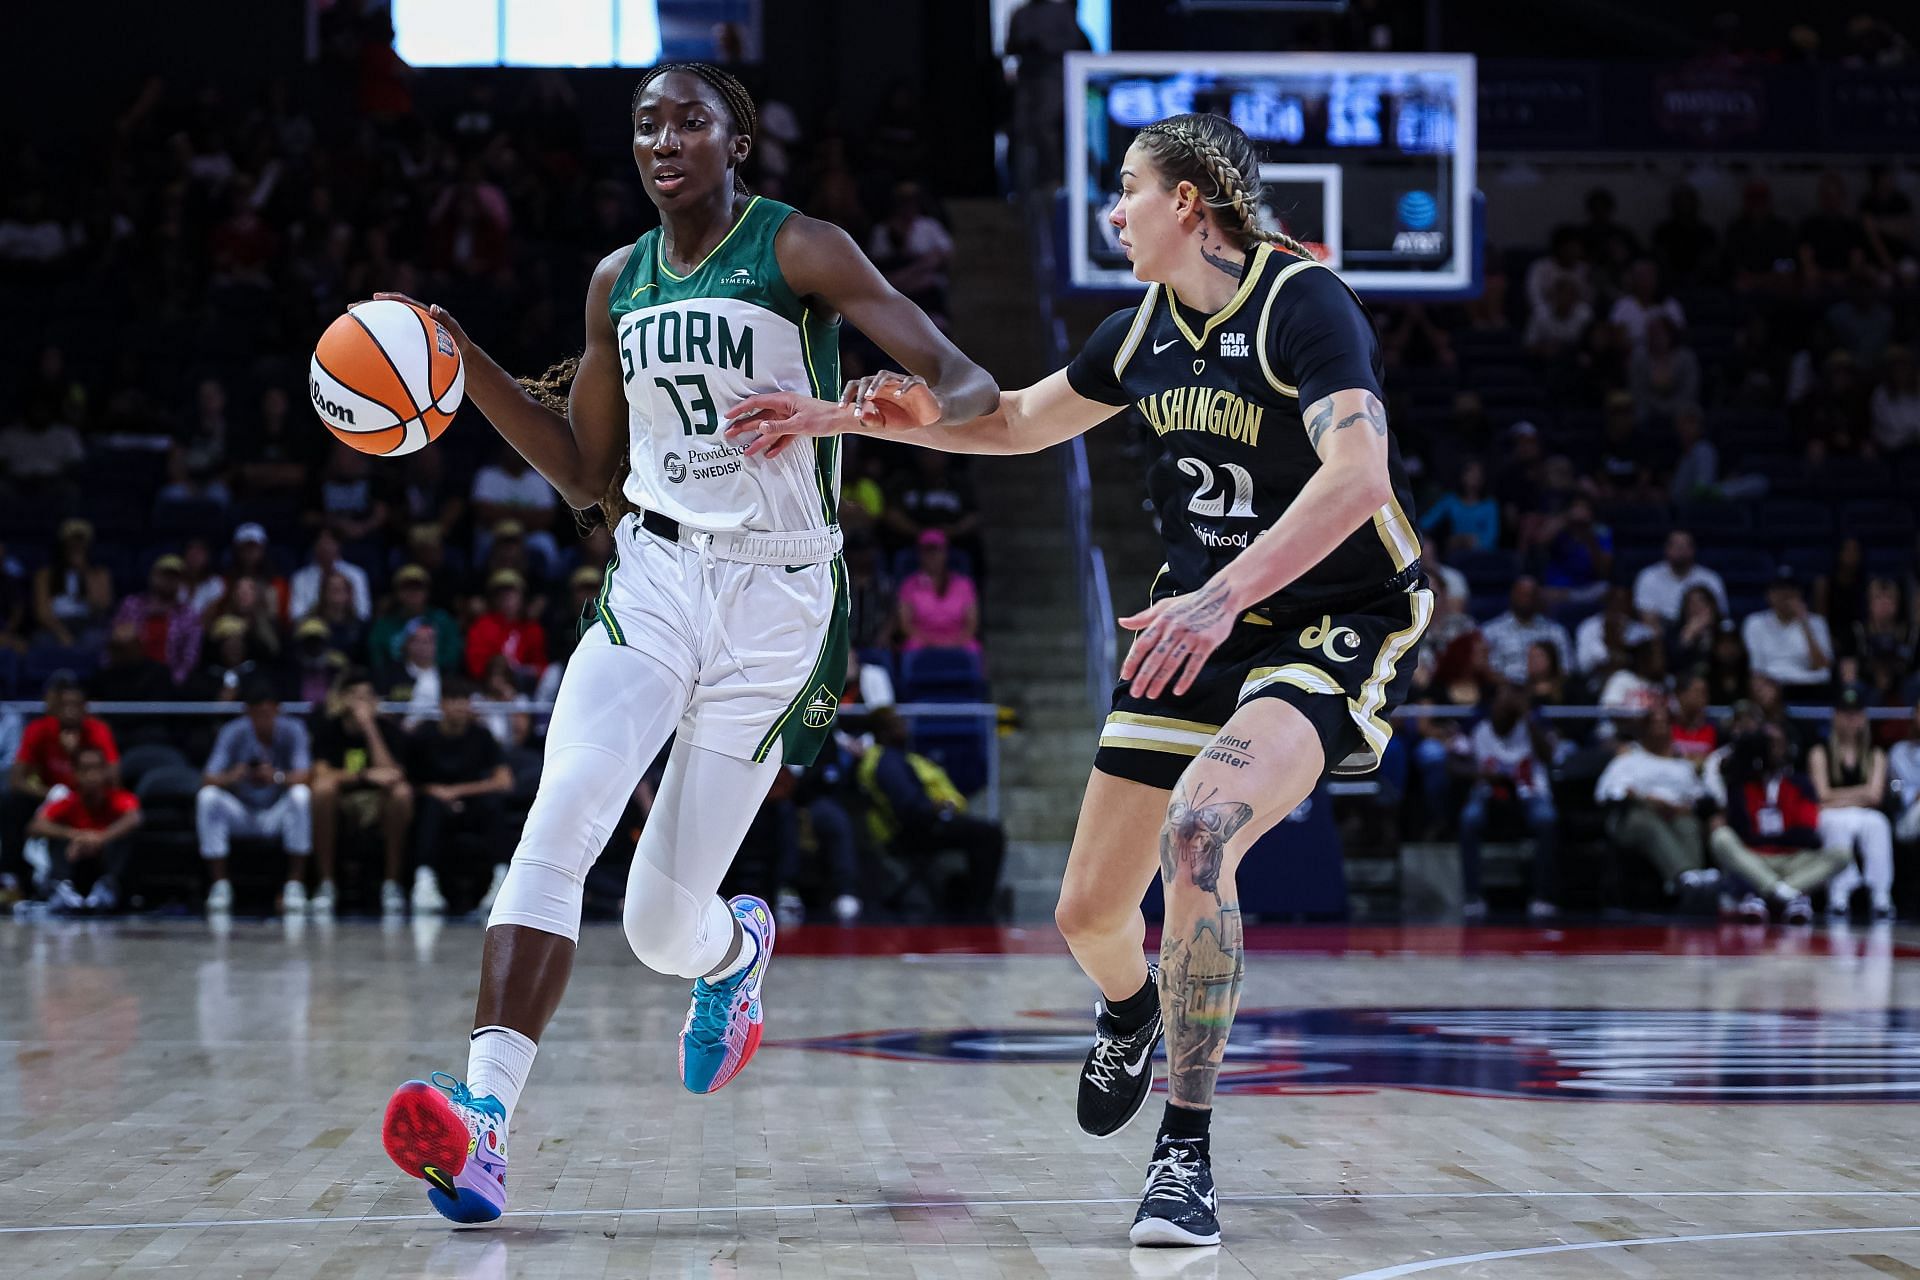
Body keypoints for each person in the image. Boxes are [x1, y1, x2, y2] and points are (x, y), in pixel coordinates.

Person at [728, 110, 1428, 1247]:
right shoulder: (1137, 329)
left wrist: (1223, 597)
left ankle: (1184, 1154)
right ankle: (1130, 1008)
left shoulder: (1304, 303)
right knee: (1086, 910)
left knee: (1202, 830)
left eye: (1127, 187)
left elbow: (1358, 477)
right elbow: (1011, 423)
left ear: (1189, 202)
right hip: (1196, 622)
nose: (1112, 208)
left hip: (1327, 615)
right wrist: (842, 422)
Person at [375, 62, 997, 1227]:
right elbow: (584, 474)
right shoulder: (619, 280)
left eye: (689, 120)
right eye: (647, 123)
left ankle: (733, 948)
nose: (664, 138)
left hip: (781, 602)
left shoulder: (801, 249)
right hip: (654, 574)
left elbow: (963, 385)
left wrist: (846, 410)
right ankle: (485, 1122)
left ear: (737, 139)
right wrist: (463, 363)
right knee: (557, 820)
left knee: (664, 928)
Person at [856, 706, 1003, 918]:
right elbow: (907, 807)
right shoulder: (887, 762)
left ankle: (972, 899)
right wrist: (937, 808)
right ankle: (977, 907)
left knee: (982, 832)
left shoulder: (896, 757)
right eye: (898, 725)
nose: (905, 728)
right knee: (988, 834)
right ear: (884, 732)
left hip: (918, 823)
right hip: (909, 831)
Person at [1709, 726, 1849, 924]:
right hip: (1755, 858)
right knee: (1721, 837)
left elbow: (1806, 833)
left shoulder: (1800, 783)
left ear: (1788, 748)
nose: (1774, 750)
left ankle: (1769, 893)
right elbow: (1741, 830)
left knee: (1843, 854)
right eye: (1768, 744)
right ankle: (1786, 893)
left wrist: (1768, 838)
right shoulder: (1742, 783)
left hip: (1793, 859)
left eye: (1778, 744)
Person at [197, 680, 313, 914]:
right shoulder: (233, 731)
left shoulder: (294, 729)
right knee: (207, 797)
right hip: (243, 812)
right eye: (256, 714)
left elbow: (307, 776)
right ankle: (220, 886)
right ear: (246, 712)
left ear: (278, 710)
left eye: (268, 713)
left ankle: (294, 884)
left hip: (276, 812)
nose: (263, 720)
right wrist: (233, 776)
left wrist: (276, 776)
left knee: (301, 796)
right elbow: (207, 778)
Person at [309, 667, 416, 916]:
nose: (361, 703)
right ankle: (326, 884)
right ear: (342, 699)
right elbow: (321, 774)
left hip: (378, 800)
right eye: (355, 696)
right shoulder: (329, 729)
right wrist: (363, 775)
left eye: (367, 696)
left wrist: (369, 727)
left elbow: (392, 774)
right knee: (322, 790)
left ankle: (392, 885)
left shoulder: (387, 730)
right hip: (343, 798)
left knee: (401, 794)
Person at [2, 673, 120, 896]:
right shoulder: (39, 729)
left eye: (76, 705)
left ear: (85, 708)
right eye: (65, 705)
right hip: (51, 800)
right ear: (55, 707)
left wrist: (73, 754)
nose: (70, 710)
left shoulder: (98, 730)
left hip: (88, 799)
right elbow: (17, 779)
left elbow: (113, 779)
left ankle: (109, 884)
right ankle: (13, 877)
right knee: (11, 800)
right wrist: (51, 793)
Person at [405, 675, 514, 917]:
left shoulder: (481, 736)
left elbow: (504, 781)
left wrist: (456, 791)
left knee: (493, 805)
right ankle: (424, 881)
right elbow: (407, 780)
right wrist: (436, 792)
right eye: (452, 700)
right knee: (430, 807)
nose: (458, 706)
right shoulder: (423, 735)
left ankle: (501, 880)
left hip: (472, 804)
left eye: (463, 700)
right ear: (441, 704)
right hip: (432, 804)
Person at [1452, 681, 1558, 921]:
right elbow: (1453, 763)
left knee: (1547, 819)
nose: (1505, 707)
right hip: (1488, 792)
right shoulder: (1477, 725)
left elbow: (1548, 756)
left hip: (1530, 792)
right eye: (1501, 701)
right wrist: (1480, 774)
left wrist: (1527, 716)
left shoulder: (1533, 724)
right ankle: (1473, 896)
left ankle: (1542, 896)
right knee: (1469, 819)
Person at [1595, 706, 1716, 907]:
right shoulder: (1629, 759)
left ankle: (1692, 884)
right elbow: (1606, 793)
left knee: (1688, 823)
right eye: (1655, 724)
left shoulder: (1682, 765)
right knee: (1649, 822)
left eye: (1664, 724)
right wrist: (1646, 800)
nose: (1660, 728)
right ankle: (1683, 874)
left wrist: (1682, 808)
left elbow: (1700, 797)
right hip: (1633, 820)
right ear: (1645, 728)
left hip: (1676, 814)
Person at [1808, 684, 1896, 919]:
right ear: (1835, 716)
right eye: (1845, 713)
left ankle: (1881, 894)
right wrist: (1861, 793)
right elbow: (1821, 796)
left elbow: (1875, 796)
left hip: (1863, 812)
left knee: (1878, 824)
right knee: (1835, 823)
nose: (1851, 719)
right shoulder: (1820, 752)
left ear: (1863, 717)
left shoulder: (1876, 753)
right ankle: (1839, 894)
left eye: (1856, 713)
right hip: (1834, 814)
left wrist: (1839, 796)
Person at [28, 745, 140, 913]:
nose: (91, 776)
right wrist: (76, 835)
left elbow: (134, 818)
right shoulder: (68, 801)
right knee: (55, 836)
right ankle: (63, 889)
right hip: (74, 862)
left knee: (125, 837)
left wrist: (101, 838)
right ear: (75, 773)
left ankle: (108, 888)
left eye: (96, 769)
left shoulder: (119, 798)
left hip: (103, 863)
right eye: (85, 769)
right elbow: (36, 825)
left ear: (105, 772)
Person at [1742, 566, 1834, 695]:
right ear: (1769, 594)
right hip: (1769, 688)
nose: (1785, 595)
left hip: (1809, 687)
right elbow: (1756, 670)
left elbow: (1822, 665)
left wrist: (1804, 623)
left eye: (1790, 589)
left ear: (1799, 594)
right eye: (1779, 589)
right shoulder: (1755, 623)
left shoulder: (1817, 622)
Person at [32, 519, 113, 648]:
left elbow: (102, 606)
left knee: (96, 639)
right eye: (71, 541)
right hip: (56, 624)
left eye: (81, 541)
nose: (76, 546)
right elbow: (42, 613)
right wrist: (62, 634)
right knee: (42, 641)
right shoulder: (45, 574)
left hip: (88, 624)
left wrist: (84, 572)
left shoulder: (99, 573)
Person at [897, 529, 980, 653]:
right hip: (922, 641)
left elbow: (972, 624)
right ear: (920, 554)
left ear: (946, 553)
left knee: (973, 648)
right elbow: (905, 624)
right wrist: (930, 641)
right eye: (927, 551)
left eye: (937, 551)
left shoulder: (964, 584)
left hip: (957, 639)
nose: (932, 557)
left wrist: (955, 641)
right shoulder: (909, 585)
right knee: (911, 647)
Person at [1481, 577, 1573, 685]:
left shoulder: (1556, 632)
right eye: (1522, 595)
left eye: (1531, 595)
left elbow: (1567, 669)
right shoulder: (1490, 631)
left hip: (1546, 692)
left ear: (1538, 598)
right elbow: (1485, 668)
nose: (1526, 600)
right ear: (1512, 595)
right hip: (1502, 691)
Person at [463, 570, 548, 685]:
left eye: (512, 593)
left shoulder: (533, 629)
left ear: (522, 597)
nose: (507, 598)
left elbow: (541, 667)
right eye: (501, 594)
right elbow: (475, 665)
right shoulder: (482, 626)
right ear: (493, 599)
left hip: (527, 691)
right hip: (487, 688)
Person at [1632, 530, 1726, 625]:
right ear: (1666, 549)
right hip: (1661, 631)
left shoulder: (1710, 578)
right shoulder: (1648, 576)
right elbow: (1646, 616)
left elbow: (1719, 614)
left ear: (1693, 549)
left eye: (1685, 545)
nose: (1680, 550)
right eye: (1676, 545)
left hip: (1701, 630)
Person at [288, 527, 371, 621]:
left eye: (330, 542)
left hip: (350, 629)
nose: (326, 547)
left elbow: (364, 613)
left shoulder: (357, 574)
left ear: (338, 545)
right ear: (315, 546)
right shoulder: (300, 578)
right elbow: (296, 615)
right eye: (322, 542)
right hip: (313, 630)